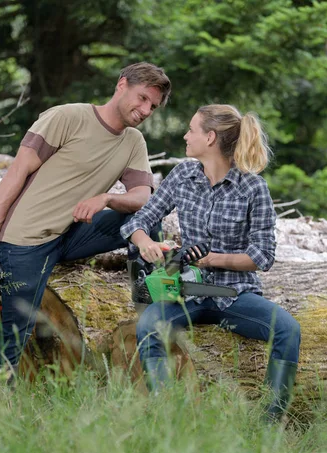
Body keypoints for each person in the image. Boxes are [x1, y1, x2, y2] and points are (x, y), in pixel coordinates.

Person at [0, 62, 171, 371]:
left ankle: (149, 294)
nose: (146, 110)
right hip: (25, 240)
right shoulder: (66, 117)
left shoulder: (133, 142)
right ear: (122, 85)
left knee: (147, 213)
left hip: (71, 235)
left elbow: (143, 196)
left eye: (153, 106)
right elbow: (16, 174)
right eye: (143, 98)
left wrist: (107, 198)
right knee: (17, 332)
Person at [120, 104, 301, 420]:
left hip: (234, 297)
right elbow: (140, 219)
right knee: (149, 324)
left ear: (211, 138)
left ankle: (271, 423)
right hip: (186, 294)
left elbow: (263, 256)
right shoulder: (183, 175)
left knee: (288, 330)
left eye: (192, 129)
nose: (185, 135)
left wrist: (214, 259)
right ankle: (167, 418)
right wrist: (144, 241)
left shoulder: (253, 188)